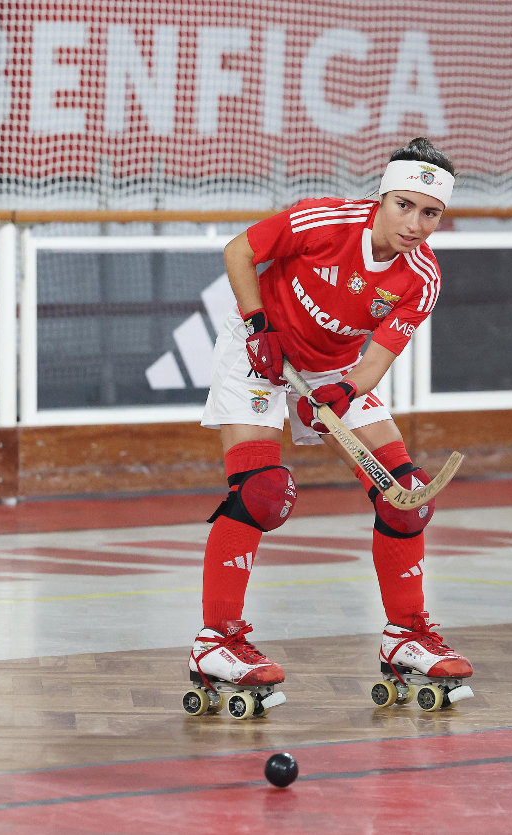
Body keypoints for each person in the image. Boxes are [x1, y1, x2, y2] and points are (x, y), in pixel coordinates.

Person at [188, 137, 473, 704]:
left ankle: (405, 634)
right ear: (383, 196)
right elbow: (238, 250)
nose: (415, 224)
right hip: (256, 345)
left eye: (431, 213)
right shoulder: (325, 219)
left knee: (404, 494)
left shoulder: (421, 276)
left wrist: (340, 394)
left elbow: (373, 362)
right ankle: (216, 642)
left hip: (334, 365)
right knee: (261, 491)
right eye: (405, 206)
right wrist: (257, 324)